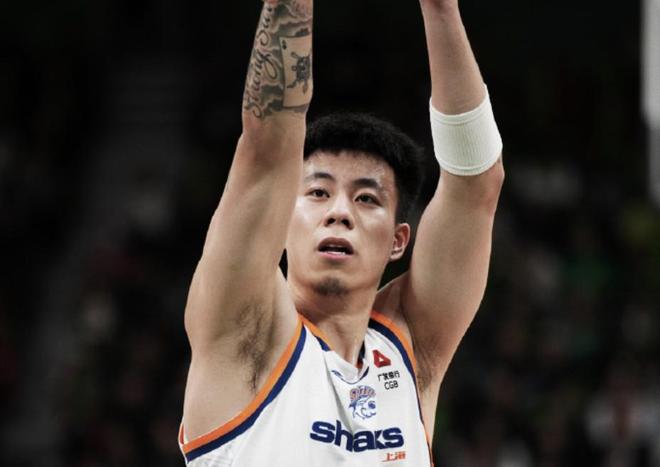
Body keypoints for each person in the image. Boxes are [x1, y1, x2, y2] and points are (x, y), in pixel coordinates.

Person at [178, 0, 504, 465]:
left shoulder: (411, 348)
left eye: (366, 198)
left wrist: (441, 9)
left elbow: (476, 183)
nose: (339, 212)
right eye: (318, 193)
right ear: (282, 221)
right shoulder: (243, 330)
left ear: (398, 240)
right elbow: (268, 142)